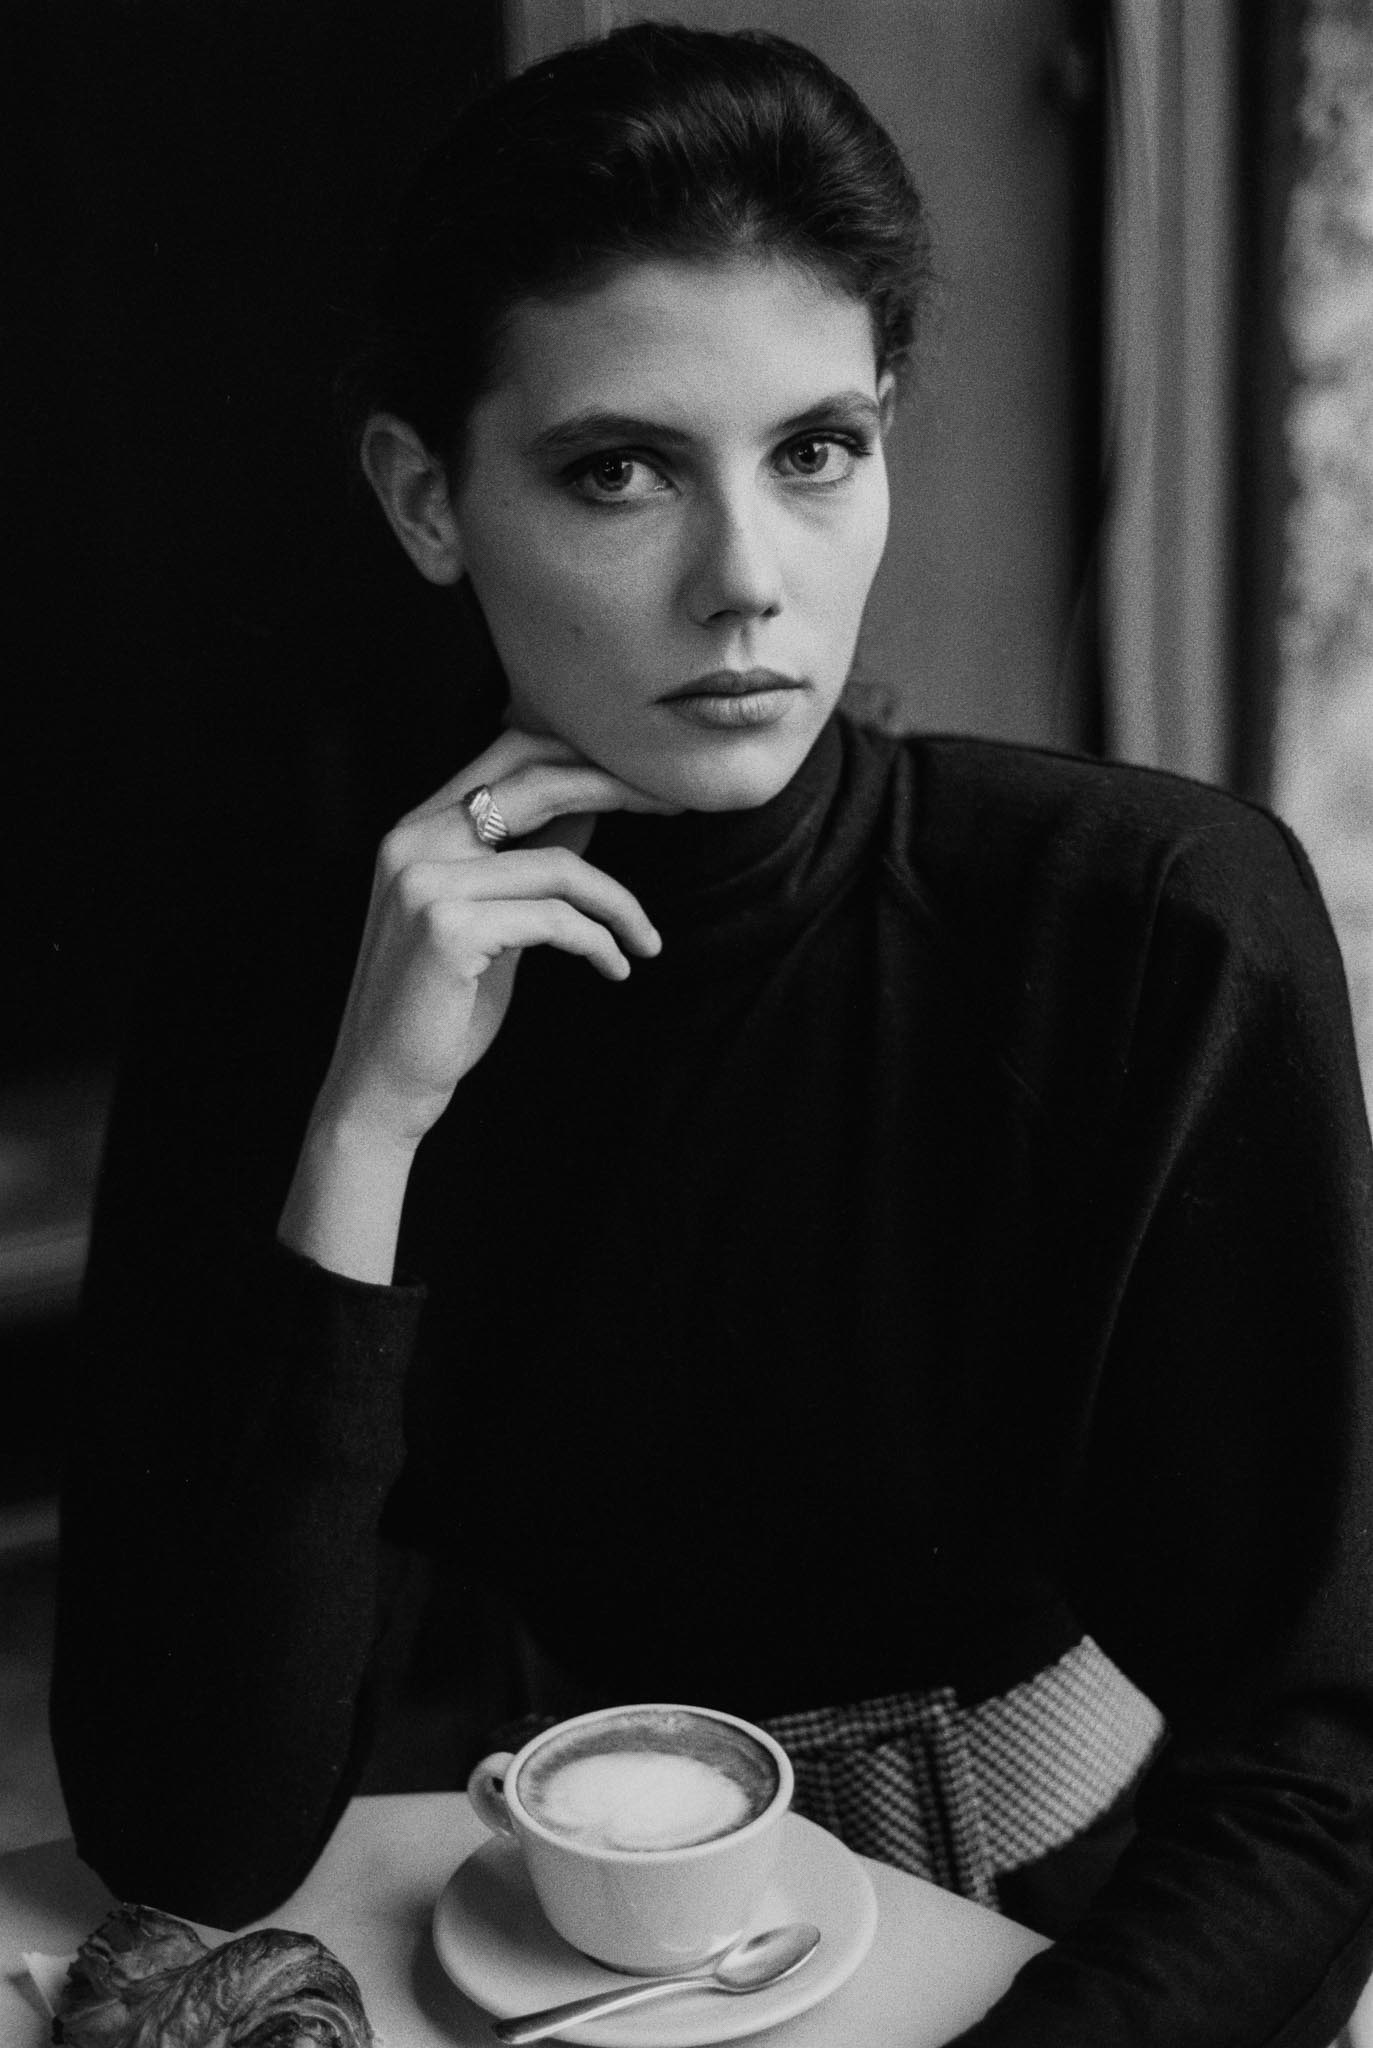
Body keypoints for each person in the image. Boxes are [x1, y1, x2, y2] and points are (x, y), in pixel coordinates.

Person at [50, 23, 1373, 2047]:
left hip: (1078, 1956)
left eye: (815, 449)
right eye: (619, 470)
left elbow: (1326, 1765)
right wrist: (366, 1133)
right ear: (425, 497)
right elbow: (191, 1837)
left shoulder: (1158, 926)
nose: (746, 581)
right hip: (518, 1951)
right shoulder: (274, 992)